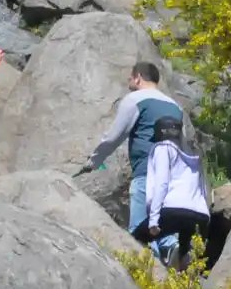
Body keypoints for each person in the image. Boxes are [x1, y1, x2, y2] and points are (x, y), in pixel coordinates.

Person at [80, 62, 183, 261]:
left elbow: (114, 137)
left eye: (130, 78)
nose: (129, 81)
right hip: (172, 176)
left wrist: (94, 161)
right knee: (163, 225)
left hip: (146, 171)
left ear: (138, 78)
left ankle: (147, 270)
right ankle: (171, 247)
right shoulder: (175, 107)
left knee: (140, 231)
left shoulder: (136, 99)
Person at [137, 116, 211, 271]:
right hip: (200, 214)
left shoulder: (163, 148)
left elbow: (161, 184)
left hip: (174, 209)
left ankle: (151, 277)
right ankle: (185, 283)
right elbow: (203, 189)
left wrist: (154, 220)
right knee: (187, 254)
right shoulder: (194, 155)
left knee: (137, 238)